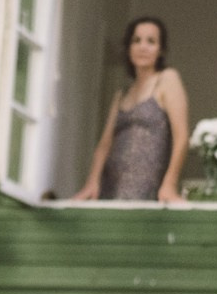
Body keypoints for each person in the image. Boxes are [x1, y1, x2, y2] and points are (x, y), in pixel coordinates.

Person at [73, 16, 190, 203]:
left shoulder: (167, 79)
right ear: (129, 48)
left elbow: (182, 137)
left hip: (147, 186)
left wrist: (170, 184)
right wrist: (92, 183)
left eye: (151, 41)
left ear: (161, 50)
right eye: (136, 41)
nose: (143, 47)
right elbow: (104, 145)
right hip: (111, 186)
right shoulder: (122, 93)